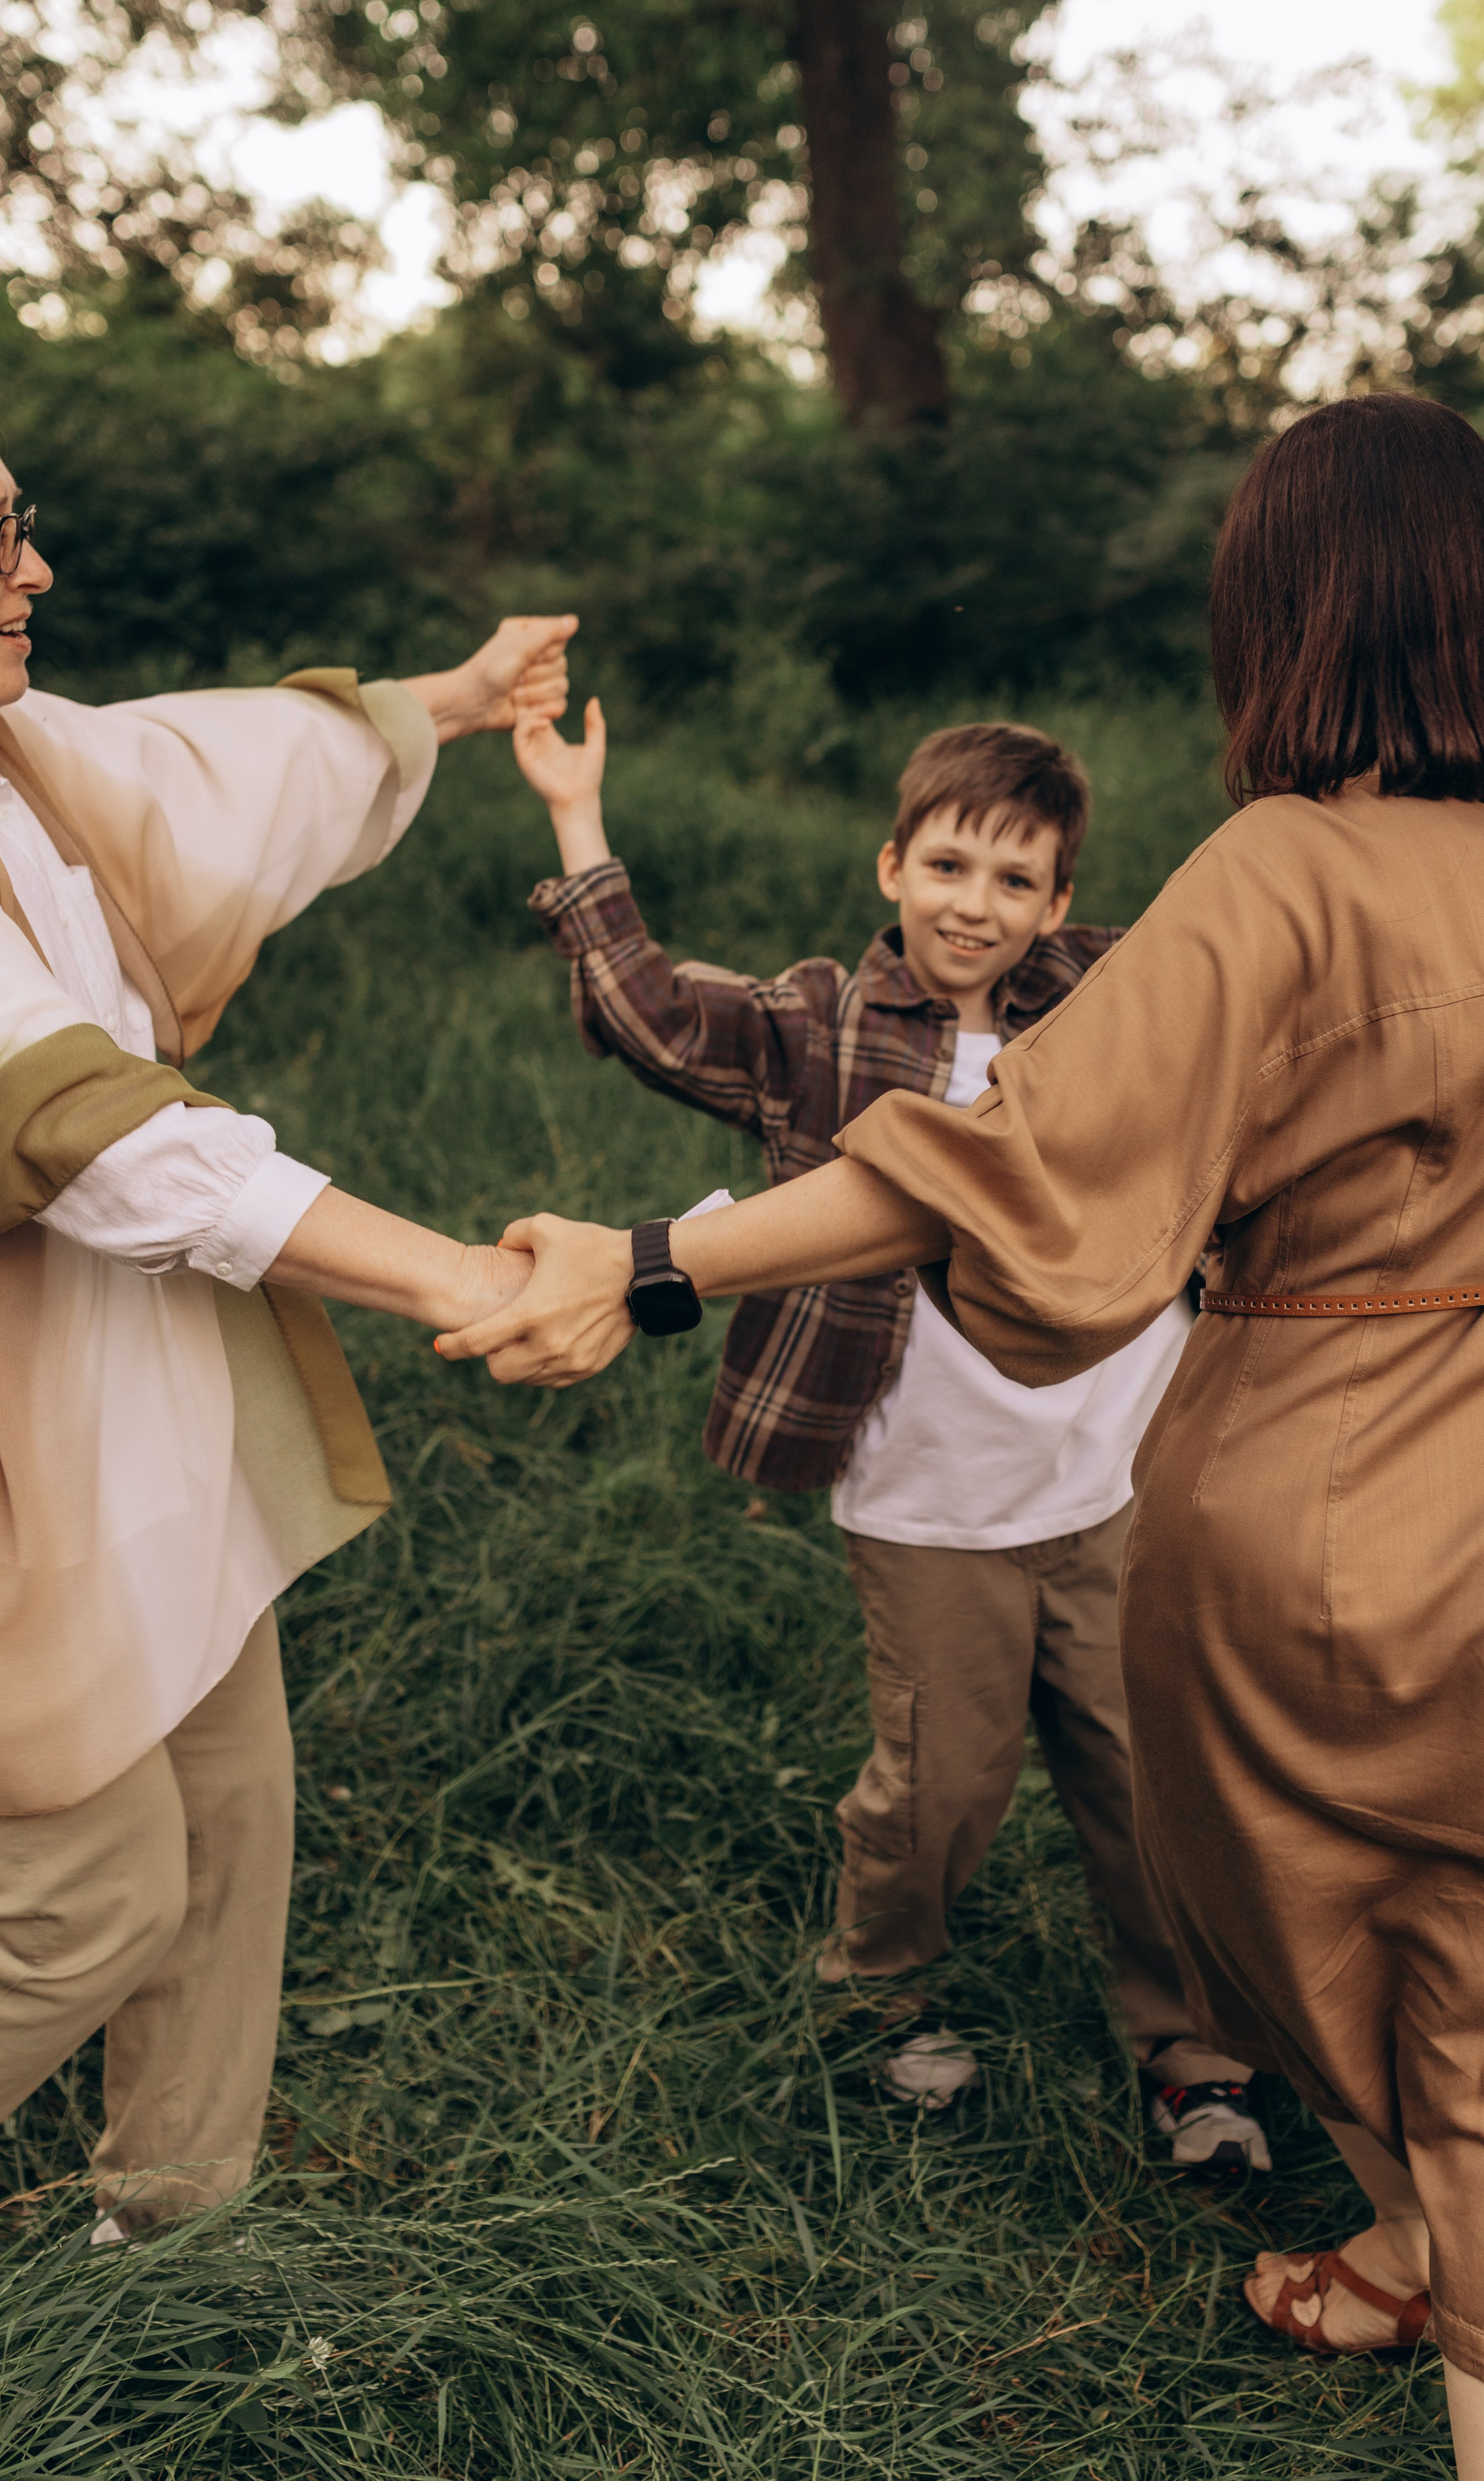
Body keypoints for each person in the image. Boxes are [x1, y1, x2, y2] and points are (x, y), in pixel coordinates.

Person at [443, 391, 1484, 2474]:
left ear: (1283, 608)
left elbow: (1003, 1166)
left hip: (1339, 1497)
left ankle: (1455, 2295)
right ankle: (1401, 2239)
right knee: (1472, 1910)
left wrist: (652, 1260)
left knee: (1349, 1919)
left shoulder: (1284, 877)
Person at [0, 338, 568, 2276]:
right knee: (68, 1905)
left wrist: (455, 702)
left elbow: (223, 764)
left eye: (28, 528)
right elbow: (95, 1134)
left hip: (109, 1420)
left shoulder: (11, 760)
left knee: (230, 1814)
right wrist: (448, 1275)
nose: (32, 574)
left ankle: (171, 2243)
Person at [514, 700, 1267, 2163]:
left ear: (1058, 903)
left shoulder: (1112, 1007)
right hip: (929, 1504)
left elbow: (1252, 1000)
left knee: (1146, 1779)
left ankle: (1195, 2048)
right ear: (888, 869)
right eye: (945, 867)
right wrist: (574, 815)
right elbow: (651, 1014)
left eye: (1009, 881)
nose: (970, 907)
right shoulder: (820, 1025)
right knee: (939, 1784)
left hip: (1119, 1483)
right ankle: (880, 1994)